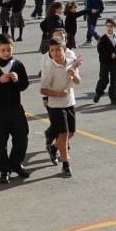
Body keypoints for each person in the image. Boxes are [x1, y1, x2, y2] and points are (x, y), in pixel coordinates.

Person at [0, 34, 31, 184]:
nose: (6, 53)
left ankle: (16, 163)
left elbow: (24, 85)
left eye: (9, 50)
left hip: (15, 107)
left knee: (22, 135)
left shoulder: (18, 64)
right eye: (3, 50)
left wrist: (17, 80)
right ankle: (4, 169)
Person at [40, 38, 81, 178]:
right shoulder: (48, 68)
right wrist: (57, 93)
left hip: (69, 102)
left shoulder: (71, 62)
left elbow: (78, 81)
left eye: (58, 49)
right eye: (52, 50)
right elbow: (43, 90)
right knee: (63, 135)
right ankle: (66, 165)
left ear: (64, 50)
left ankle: (52, 147)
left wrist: (74, 74)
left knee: (71, 133)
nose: (55, 53)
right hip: (55, 105)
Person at [93, 18, 116, 104]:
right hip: (105, 63)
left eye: (111, 26)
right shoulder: (103, 38)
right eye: (107, 26)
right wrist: (110, 55)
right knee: (104, 80)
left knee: (114, 82)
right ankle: (98, 93)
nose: (109, 28)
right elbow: (100, 51)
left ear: (114, 27)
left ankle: (114, 99)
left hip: (115, 63)